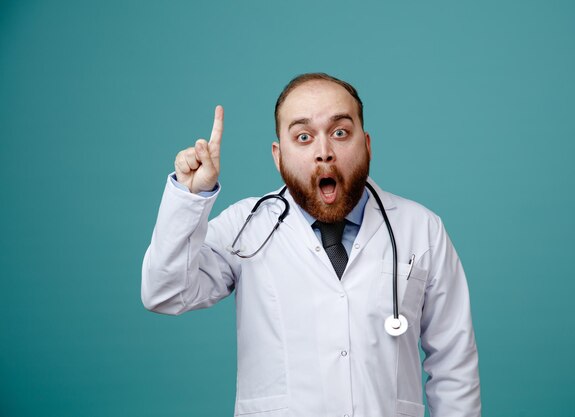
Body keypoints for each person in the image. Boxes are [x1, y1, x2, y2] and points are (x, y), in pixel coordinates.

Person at [142, 73, 481, 417]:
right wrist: (191, 196)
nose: (324, 152)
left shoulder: (421, 229)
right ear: (278, 156)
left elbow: (454, 364)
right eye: (303, 137)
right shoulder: (246, 225)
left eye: (340, 133)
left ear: (366, 145)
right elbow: (165, 292)